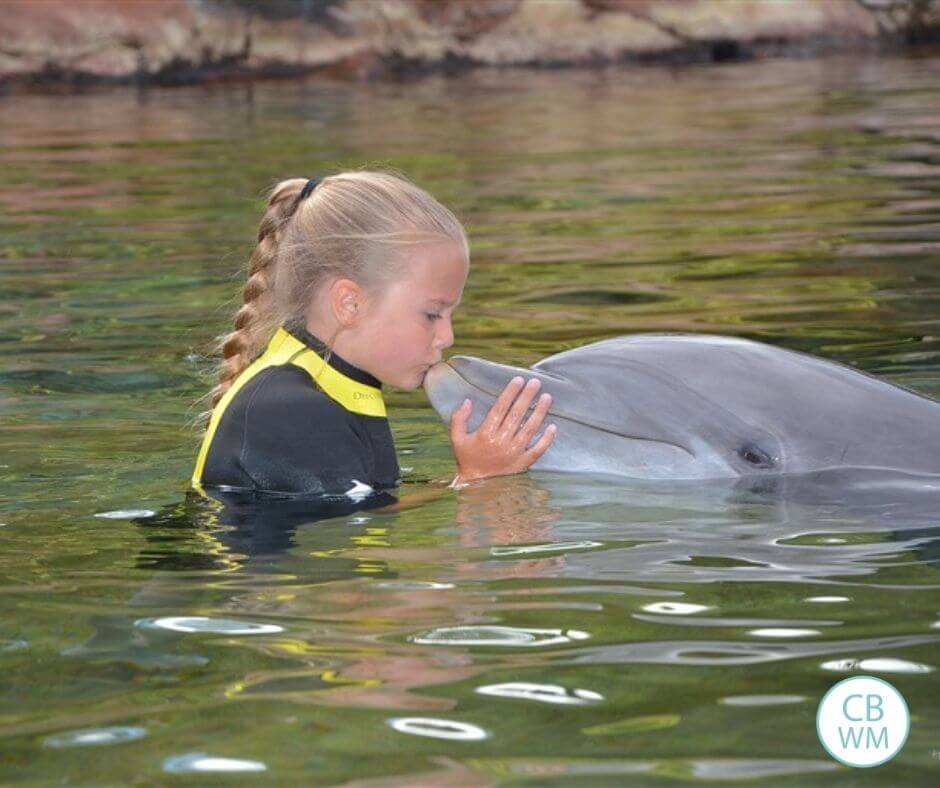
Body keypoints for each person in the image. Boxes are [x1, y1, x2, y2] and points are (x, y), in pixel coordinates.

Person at [191, 169, 557, 500]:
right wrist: (477, 478)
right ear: (350, 303)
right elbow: (354, 531)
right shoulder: (290, 407)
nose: (447, 337)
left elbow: (365, 503)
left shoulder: (326, 384)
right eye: (432, 314)